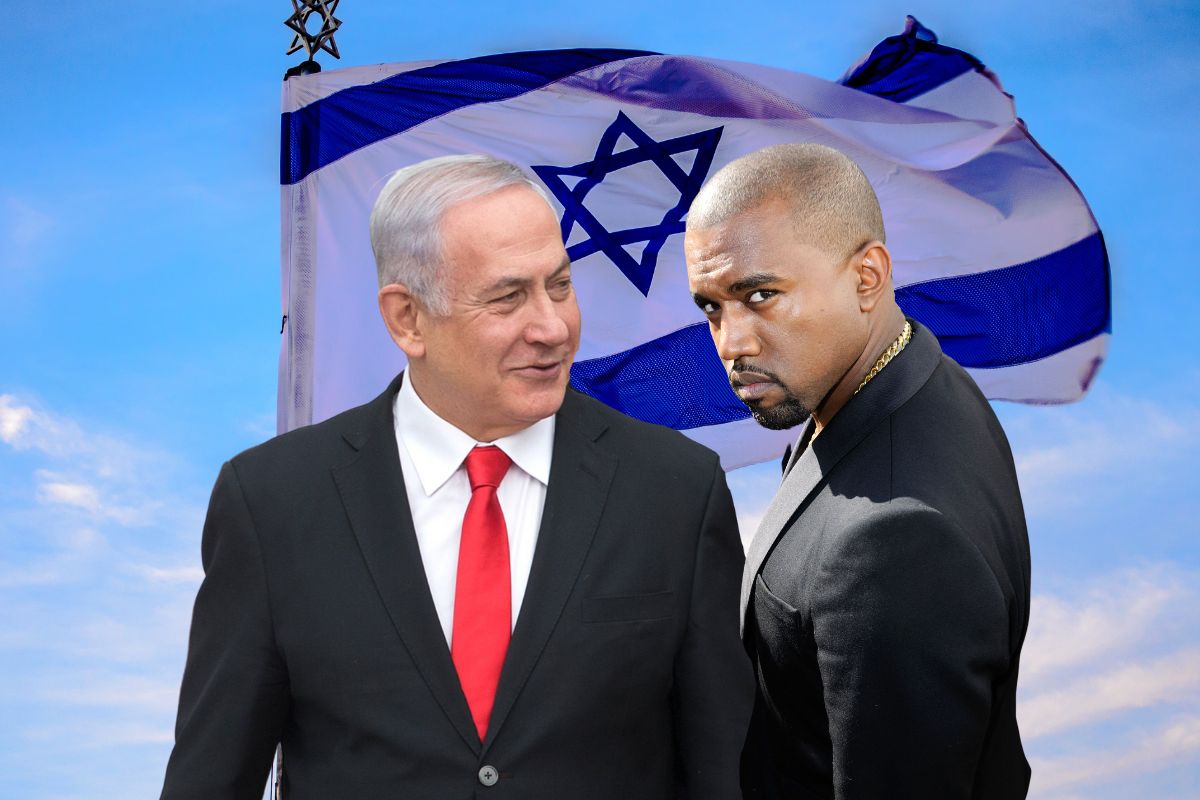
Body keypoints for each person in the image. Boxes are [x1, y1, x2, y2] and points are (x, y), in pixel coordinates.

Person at [161, 154, 753, 799]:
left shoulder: (677, 491)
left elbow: (727, 772)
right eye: (507, 297)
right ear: (407, 319)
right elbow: (210, 781)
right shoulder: (271, 502)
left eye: (559, 285)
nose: (552, 327)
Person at [684, 143, 1031, 799]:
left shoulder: (892, 541)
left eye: (761, 295)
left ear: (867, 277)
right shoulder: (901, 379)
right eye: (712, 307)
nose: (732, 344)